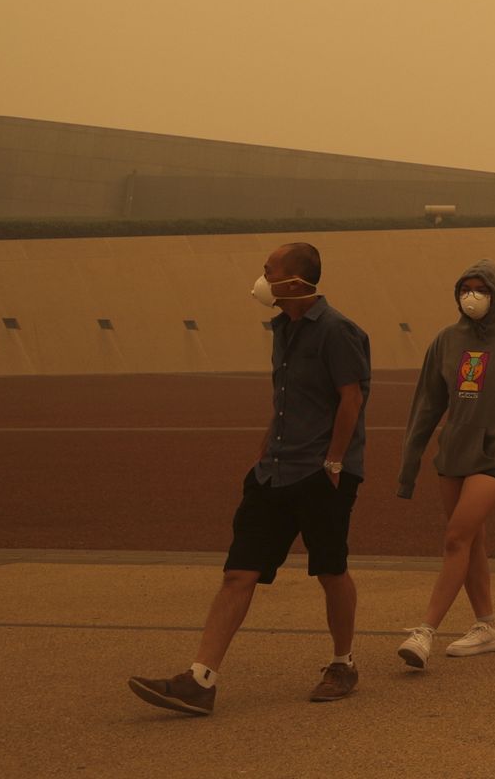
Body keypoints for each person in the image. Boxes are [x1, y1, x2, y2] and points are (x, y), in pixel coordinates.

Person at [128, 242, 370, 716]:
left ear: (296, 282)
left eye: (268, 271)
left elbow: (351, 400)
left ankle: (342, 664)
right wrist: (263, 452)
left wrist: (335, 463)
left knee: (330, 569)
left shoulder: (339, 332)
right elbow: (286, 400)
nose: (260, 279)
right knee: (239, 572)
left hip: (322, 474)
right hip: (273, 472)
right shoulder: (283, 327)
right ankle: (201, 679)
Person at [396, 259, 495, 668]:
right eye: (465, 288)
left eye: (481, 288)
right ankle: (487, 626)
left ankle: (425, 631)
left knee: (455, 538)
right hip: (453, 455)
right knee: (472, 541)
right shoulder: (446, 340)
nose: (472, 296)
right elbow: (426, 406)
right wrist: (409, 467)